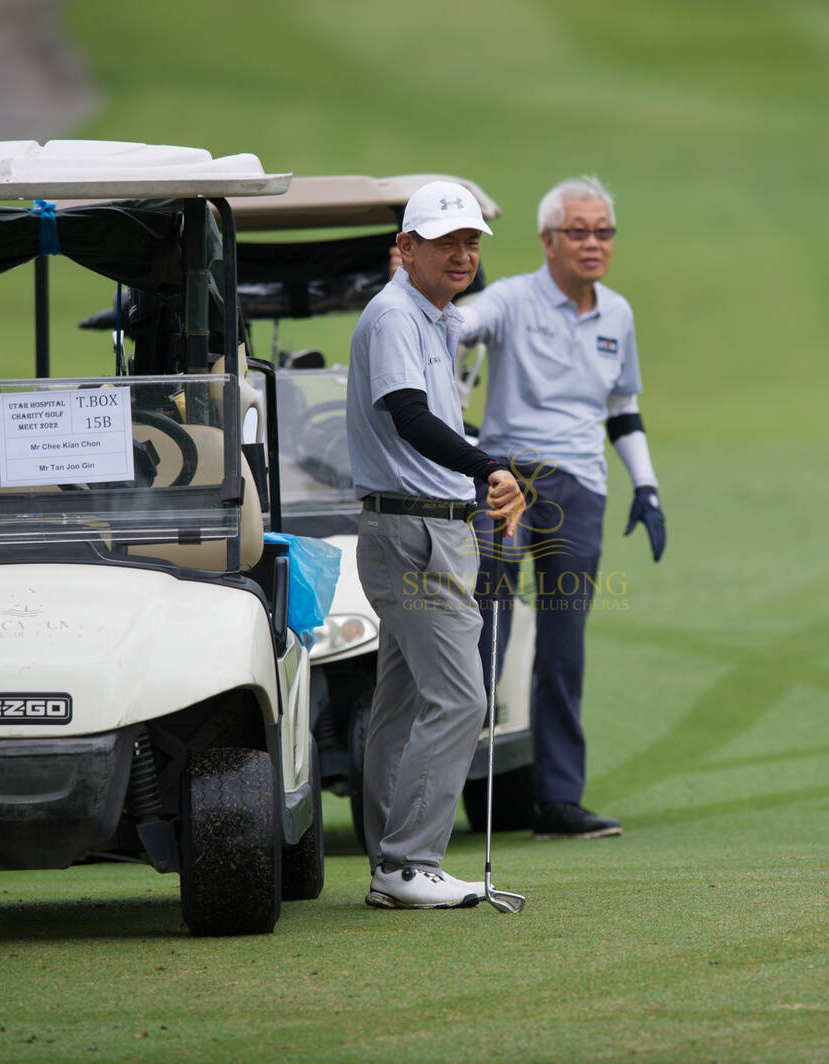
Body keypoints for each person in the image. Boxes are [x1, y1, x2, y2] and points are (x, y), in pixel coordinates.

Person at [462, 175, 665, 840]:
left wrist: (646, 486)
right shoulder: (512, 299)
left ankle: (555, 799)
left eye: (602, 232)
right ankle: (448, 787)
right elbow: (458, 325)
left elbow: (620, 407)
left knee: (563, 646)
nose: (592, 243)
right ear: (548, 240)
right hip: (504, 477)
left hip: (579, 489)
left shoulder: (618, 314)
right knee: (481, 631)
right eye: (577, 231)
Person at [347, 180, 527, 908]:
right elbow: (407, 415)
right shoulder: (395, 314)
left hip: (421, 526)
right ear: (406, 248)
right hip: (415, 531)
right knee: (459, 696)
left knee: (404, 699)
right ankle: (406, 861)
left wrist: (489, 469)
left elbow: (435, 423)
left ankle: (390, 861)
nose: (461, 254)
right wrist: (487, 467)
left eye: (470, 242)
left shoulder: (431, 316)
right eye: (445, 241)